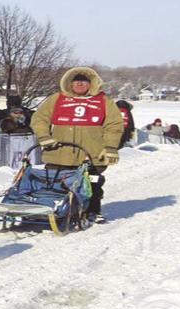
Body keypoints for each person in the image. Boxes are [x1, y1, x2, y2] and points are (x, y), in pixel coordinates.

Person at [31, 66, 123, 225]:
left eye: (84, 82)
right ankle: (56, 210)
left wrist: (110, 147)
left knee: (92, 184)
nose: (80, 84)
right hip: (59, 152)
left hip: (92, 153)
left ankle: (93, 211)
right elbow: (39, 119)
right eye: (76, 81)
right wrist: (44, 136)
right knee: (55, 183)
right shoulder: (57, 98)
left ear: (91, 83)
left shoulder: (103, 100)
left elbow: (114, 125)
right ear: (70, 83)